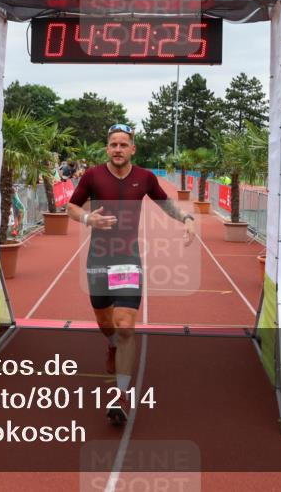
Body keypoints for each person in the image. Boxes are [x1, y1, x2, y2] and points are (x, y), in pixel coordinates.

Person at [66, 123, 195, 426]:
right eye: (113, 144)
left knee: (125, 326)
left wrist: (186, 217)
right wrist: (87, 218)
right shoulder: (93, 175)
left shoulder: (145, 178)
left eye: (124, 144)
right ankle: (110, 344)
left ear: (133, 148)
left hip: (127, 259)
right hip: (99, 258)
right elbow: (71, 207)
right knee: (104, 321)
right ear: (107, 148)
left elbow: (165, 204)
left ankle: (121, 394)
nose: (118, 149)